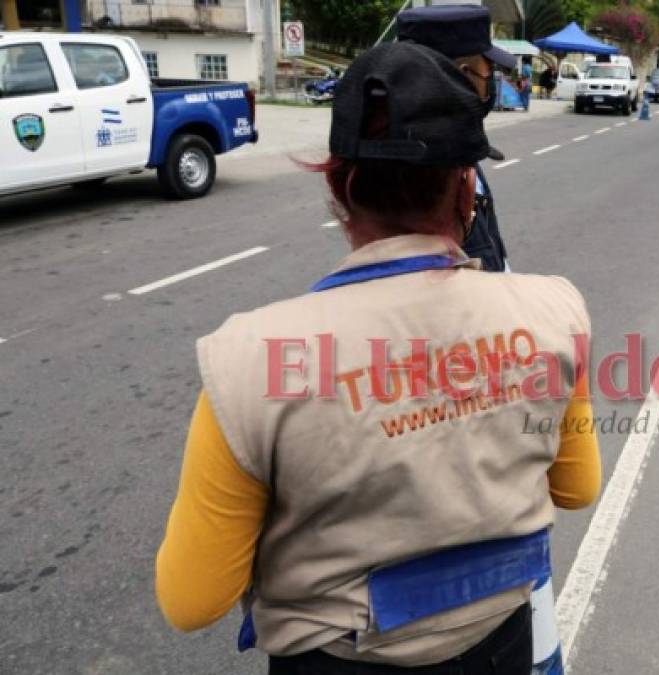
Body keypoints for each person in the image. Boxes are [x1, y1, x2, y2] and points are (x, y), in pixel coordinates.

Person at [155, 41, 602, 675]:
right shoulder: (557, 313)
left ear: (339, 186)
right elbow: (577, 488)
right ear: (468, 187)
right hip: (499, 649)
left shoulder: (247, 361)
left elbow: (191, 600)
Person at [396, 4, 516, 273]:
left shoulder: (463, 150)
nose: (491, 84)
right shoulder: (428, 171)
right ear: (462, 77)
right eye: (488, 73)